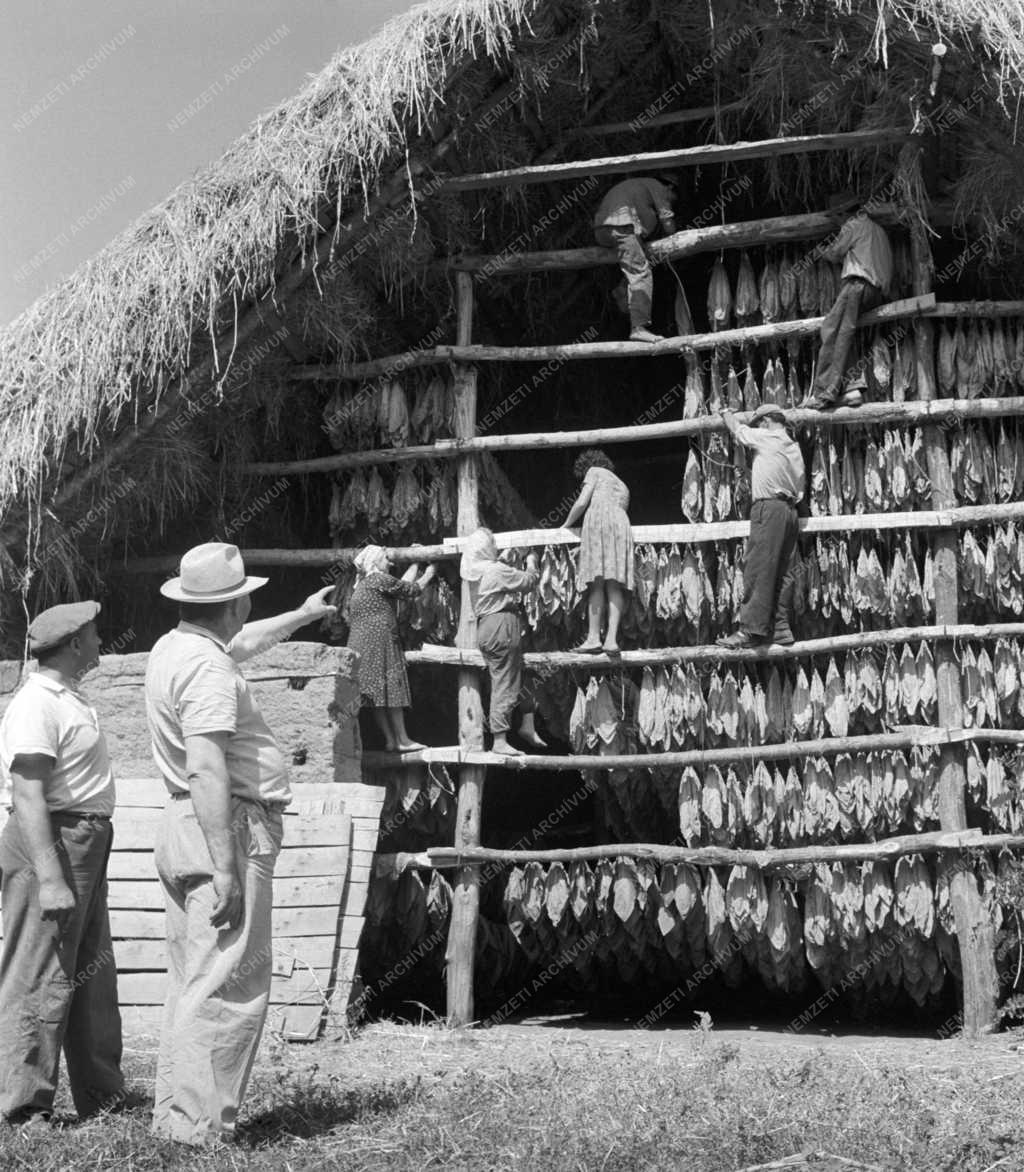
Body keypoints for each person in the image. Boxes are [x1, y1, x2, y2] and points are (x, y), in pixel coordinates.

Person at [144, 542, 336, 1146]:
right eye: (245, 595)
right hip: (224, 827)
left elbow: (242, 646)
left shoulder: (179, 648)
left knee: (195, 977)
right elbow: (206, 765)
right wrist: (225, 867)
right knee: (229, 981)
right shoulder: (206, 668)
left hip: (185, 826)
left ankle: (177, 1120)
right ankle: (199, 1131)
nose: (251, 603)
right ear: (231, 603)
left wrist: (303, 614)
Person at [0, 601, 125, 1129]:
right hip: (51, 842)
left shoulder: (66, 697)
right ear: (74, 644)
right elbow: (28, 793)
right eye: (95, 636)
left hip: (84, 841)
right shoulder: (36, 704)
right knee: (39, 971)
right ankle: (24, 1105)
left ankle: (103, 1095)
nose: (101, 643)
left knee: (91, 971)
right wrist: (50, 878)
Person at [717, 405, 805, 649]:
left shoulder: (767, 437)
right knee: (784, 573)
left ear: (765, 422)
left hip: (769, 509)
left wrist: (725, 413)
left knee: (759, 568)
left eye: (758, 424)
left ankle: (750, 631)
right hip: (790, 512)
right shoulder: (793, 446)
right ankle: (781, 629)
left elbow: (740, 432)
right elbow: (800, 486)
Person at [802, 194, 894, 409]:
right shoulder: (877, 230)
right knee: (846, 333)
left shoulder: (854, 223)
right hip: (876, 293)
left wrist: (820, 251)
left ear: (844, 213)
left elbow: (835, 252)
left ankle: (824, 393)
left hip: (857, 286)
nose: (837, 221)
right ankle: (852, 389)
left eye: (836, 217)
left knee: (831, 330)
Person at [461, 528, 546, 755]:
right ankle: (499, 740)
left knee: (515, 674)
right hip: (501, 628)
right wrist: (531, 561)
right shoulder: (495, 571)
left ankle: (527, 723)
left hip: (486, 627)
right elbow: (529, 582)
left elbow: (501, 572)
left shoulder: (473, 574)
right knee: (504, 684)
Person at [346, 544, 435, 751]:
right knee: (392, 688)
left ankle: (391, 740)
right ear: (376, 561)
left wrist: (415, 562)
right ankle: (403, 740)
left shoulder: (364, 584)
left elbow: (400, 584)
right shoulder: (378, 580)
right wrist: (429, 572)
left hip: (361, 644)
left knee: (378, 694)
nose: (390, 562)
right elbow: (410, 589)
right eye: (386, 558)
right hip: (379, 640)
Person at [563, 449, 634, 655]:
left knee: (596, 583)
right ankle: (611, 640)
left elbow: (582, 502)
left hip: (599, 522)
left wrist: (565, 525)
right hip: (621, 525)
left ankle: (593, 638)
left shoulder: (594, 471)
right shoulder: (622, 484)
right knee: (614, 585)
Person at [593, 175, 678, 343]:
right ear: (670, 188)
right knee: (641, 272)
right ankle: (638, 328)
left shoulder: (637, 186)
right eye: (673, 199)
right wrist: (676, 236)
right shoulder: (658, 187)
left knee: (632, 265)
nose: (671, 202)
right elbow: (668, 223)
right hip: (622, 227)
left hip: (603, 230)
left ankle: (622, 289)